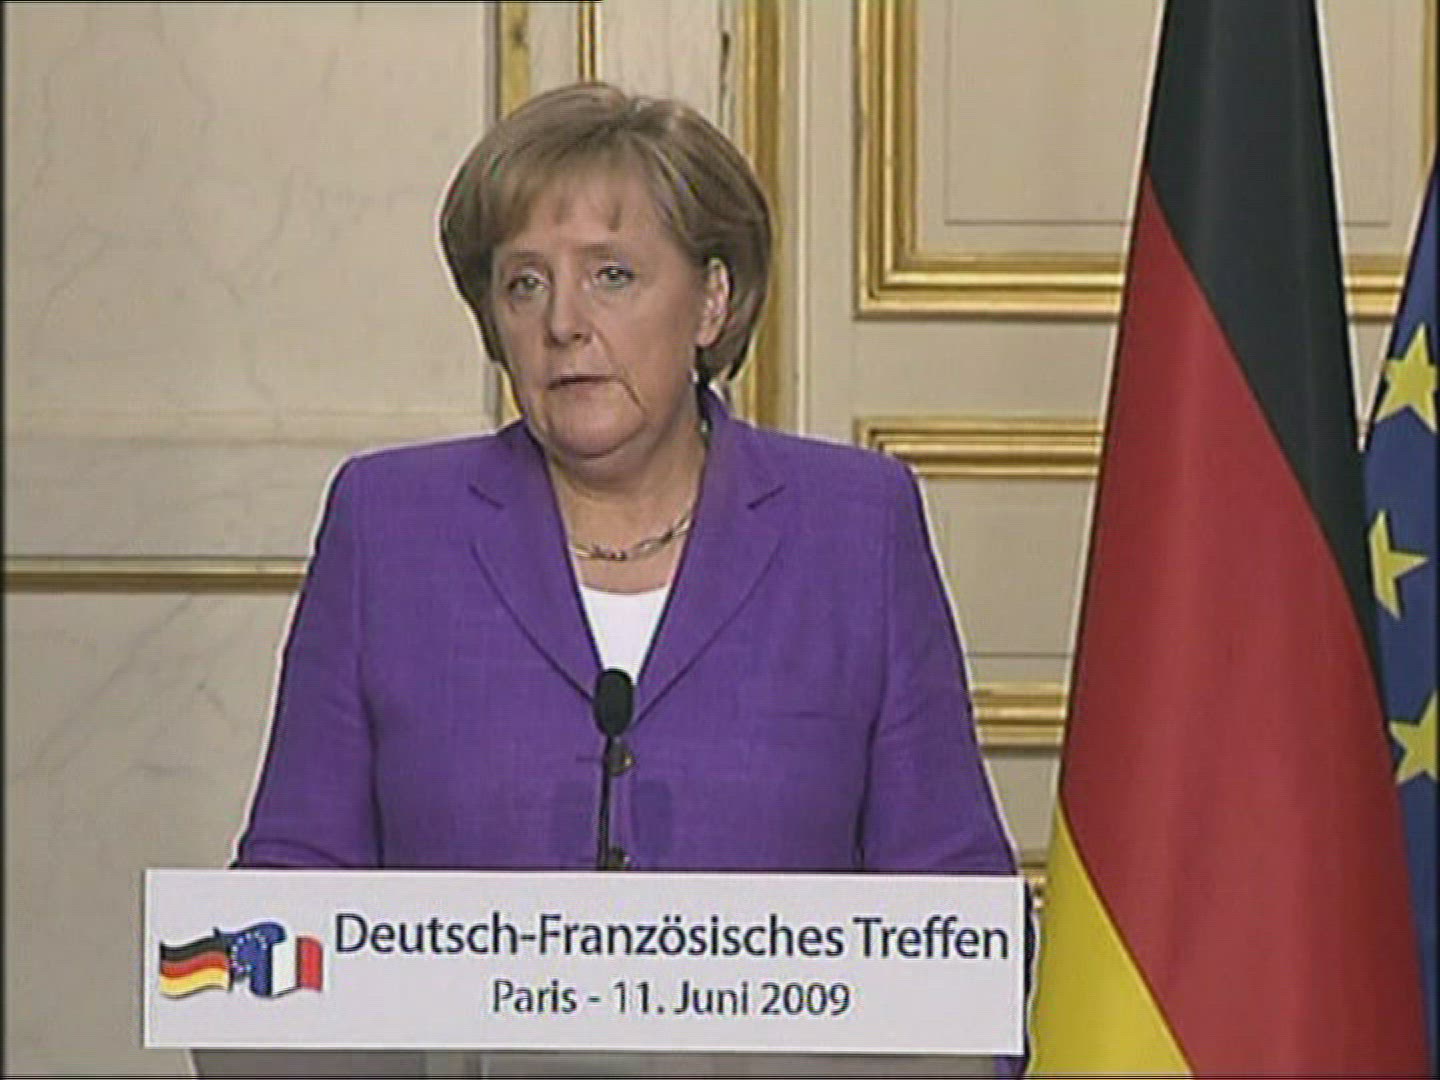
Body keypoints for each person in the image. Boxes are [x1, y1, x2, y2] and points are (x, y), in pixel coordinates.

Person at [222, 81, 1019, 1074]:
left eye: (611, 275)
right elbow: (291, 883)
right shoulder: (390, 526)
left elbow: (952, 905)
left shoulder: (854, 528)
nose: (563, 322)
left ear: (712, 300)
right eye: (524, 283)